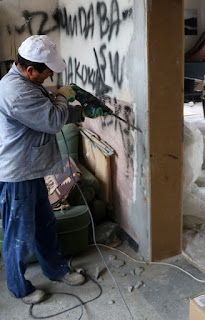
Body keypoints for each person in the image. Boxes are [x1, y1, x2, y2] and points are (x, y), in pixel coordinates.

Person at [0, 35, 105, 304]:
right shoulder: (16, 91)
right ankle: (19, 288)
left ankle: (56, 269)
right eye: (46, 72)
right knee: (19, 237)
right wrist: (62, 96)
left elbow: (47, 111)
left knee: (45, 224)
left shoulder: (28, 82)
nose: (49, 77)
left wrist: (80, 113)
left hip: (32, 168)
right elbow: (51, 119)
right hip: (16, 175)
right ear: (30, 69)